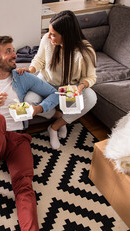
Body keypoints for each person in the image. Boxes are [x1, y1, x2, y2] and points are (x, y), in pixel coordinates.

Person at [0, 36, 59, 231]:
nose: (14, 54)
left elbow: (54, 93)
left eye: (13, 50)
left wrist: (38, 108)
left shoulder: (22, 77)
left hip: (17, 140)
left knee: (25, 187)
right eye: (8, 51)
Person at [17, 10, 97, 149]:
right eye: (49, 31)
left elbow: (90, 77)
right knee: (29, 101)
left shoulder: (85, 52)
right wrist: (30, 70)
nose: (49, 36)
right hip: (45, 83)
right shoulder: (47, 41)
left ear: (66, 35)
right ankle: (59, 116)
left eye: (53, 34)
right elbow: (39, 59)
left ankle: (55, 127)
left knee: (91, 98)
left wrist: (81, 87)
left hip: (68, 89)